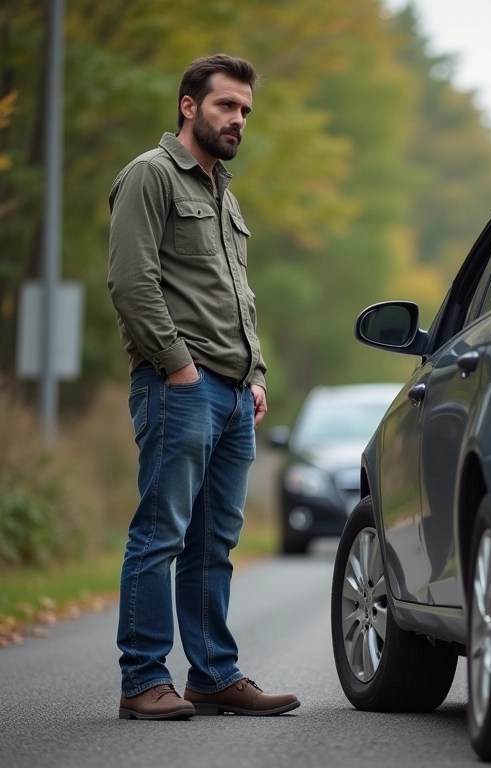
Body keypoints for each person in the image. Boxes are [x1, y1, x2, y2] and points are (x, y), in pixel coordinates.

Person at [107, 54, 299, 721]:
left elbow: (236, 297)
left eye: (245, 109)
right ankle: (142, 680)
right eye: (226, 105)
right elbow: (132, 284)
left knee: (214, 543)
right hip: (179, 388)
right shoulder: (150, 177)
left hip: (234, 394)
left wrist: (257, 376)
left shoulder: (225, 194)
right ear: (189, 105)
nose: (238, 119)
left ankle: (214, 674)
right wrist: (179, 368)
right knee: (161, 532)